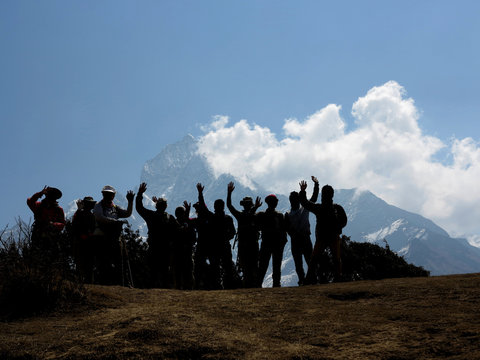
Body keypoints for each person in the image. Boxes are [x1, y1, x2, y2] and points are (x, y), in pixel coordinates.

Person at [299, 182, 347, 284]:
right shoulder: (337, 208)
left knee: (314, 259)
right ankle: (338, 278)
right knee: (336, 259)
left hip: (322, 238)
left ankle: (309, 280)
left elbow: (305, 203)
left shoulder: (319, 208)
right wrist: (337, 228)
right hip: (333, 237)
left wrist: (303, 191)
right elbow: (344, 221)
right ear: (332, 195)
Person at [135, 182, 177, 288]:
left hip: (155, 246)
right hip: (165, 248)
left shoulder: (151, 215)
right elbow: (178, 230)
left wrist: (139, 194)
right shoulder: (169, 218)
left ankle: (152, 288)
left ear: (156, 205)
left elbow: (139, 208)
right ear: (166, 206)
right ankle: (164, 288)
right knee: (164, 270)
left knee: (154, 269)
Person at [196, 183, 237, 289]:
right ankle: (230, 286)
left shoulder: (211, 217)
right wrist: (226, 238)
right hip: (224, 246)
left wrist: (200, 193)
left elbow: (202, 207)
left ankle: (216, 286)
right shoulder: (228, 219)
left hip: (213, 247)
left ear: (214, 207)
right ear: (223, 207)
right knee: (227, 267)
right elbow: (233, 232)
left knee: (215, 268)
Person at [93, 185, 134, 285]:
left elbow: (127, 213)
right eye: (107, 194)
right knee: (104, 260)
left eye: (111, 194)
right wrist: (115, 222)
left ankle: (122, 282)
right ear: (103, 194)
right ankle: (104, 282)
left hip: (115, 237)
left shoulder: (115, 207)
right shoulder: (98, 205)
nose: (109, 196)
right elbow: (99, 217)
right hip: (102, 237)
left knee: (119, 260)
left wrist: (130, 201)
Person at [285, 176, 319, 285]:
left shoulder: (288, 214)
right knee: (306, 260)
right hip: (303, 238)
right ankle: (310, 279)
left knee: (301, 261)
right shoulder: (303, 209)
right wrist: (315, 185)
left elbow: (287, 229)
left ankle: (305, 279)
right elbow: (313, 198)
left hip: (297, 239)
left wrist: (314, 186)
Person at [227, 181, 262, 288]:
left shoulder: (240, 216)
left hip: (245, 245)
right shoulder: (254, 215)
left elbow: (229, 206)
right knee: (251, 266)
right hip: (250, 245)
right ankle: (253, 285)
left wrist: (229, 193)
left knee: (248, 267)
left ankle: (249, 285)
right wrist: (255, 208)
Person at [256, 194, 288, 287]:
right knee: (275, 265)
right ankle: (276, 284)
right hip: (275, 244)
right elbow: (284, 230)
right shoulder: (279, 215)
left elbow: (256, 225)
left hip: (267, 243)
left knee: (263, 265)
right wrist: (283, 242)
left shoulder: (261, 215)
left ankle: (259, 284)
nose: (276, 203)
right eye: (275, 201)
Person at [27, 186, 66, 255]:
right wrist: (40, 193)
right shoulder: (39, 206)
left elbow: (62, 224)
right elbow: (30, 201)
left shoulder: (58, 209)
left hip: (52, 239)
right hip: (38, 237)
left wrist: (53, 225)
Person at [72, 196, 96, 282]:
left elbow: (94, 228)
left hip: (89, 242)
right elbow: (74, 226)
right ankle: (80, 281)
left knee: (89, 264)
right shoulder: (79, 213)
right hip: (80, 241)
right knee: (80, 263)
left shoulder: (92, 215)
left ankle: (89, 282)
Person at [172, 203, 196, 290]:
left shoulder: (173, 224)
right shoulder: (188, 223)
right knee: (188, 272)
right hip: (186, 252)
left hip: (177, 252)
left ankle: (178, 288)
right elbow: (194, 238)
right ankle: (188, 288)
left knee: (178, 273)